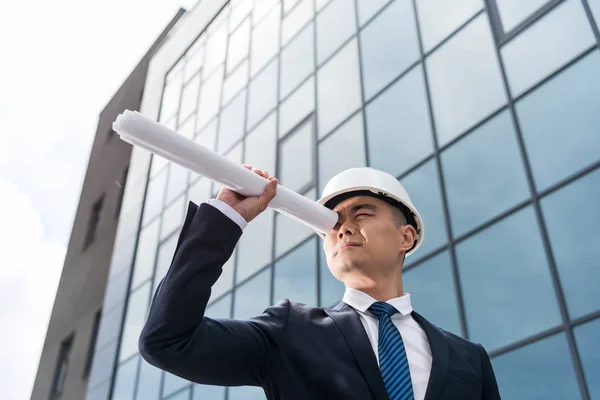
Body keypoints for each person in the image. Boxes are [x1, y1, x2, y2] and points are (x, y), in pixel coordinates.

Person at [139, 166, 501, 400]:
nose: (342, 227)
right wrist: (225, 219)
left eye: (362, 213)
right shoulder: (290, 332)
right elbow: (167, 341)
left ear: (406, 237)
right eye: (332, 222)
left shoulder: (469, 360)